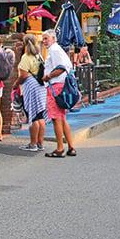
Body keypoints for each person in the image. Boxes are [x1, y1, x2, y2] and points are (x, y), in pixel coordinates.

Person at [42, 29, 76, 158]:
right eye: (43, 39)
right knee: (62, 117)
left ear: (53, 39)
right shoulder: (58, 50)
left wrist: (48, 76)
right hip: (61, 84)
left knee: (56, 117)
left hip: (55, 85)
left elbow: (61, 67)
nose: (44, 41)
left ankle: (60, 148)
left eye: (46, 38)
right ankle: (71, 146)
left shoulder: (54, 50)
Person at [15, 34, 47, 152]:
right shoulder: (39, 56)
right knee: (40, 115)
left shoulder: (26, 57)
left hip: (30, 87)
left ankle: (33, 143)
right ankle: (40, 143)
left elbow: (23, 75)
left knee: (32, 115)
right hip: (40, 86)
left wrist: (16, 84)